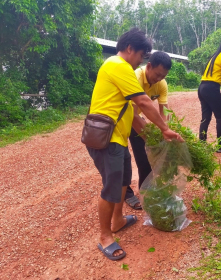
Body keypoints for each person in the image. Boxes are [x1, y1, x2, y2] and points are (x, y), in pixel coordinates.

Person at [86, 28, 183, 261]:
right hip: (106, 138)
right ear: (130, 49)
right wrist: (165, 128)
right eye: (141, 55)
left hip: (117, 137)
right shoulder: (120, 66)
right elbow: (142, 102)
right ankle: (105, 236)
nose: (141, 61)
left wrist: (152, 135)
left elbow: (132, 113)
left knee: (123, 179)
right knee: (111, 187)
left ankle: (118, 220)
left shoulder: (118, 67)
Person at [124, 51, 172, 210]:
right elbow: (133, 114)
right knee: (122, 158)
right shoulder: (136, 77)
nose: (159, 79)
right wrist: (150, 137)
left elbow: (164, 112)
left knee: (144, 157)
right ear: (149, 66)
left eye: (163, 76)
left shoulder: (161, 83)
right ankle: (127, 194)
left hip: (135, 116)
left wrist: (166, 131)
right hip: (122, 118)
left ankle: (146, 191)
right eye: (157, 74)